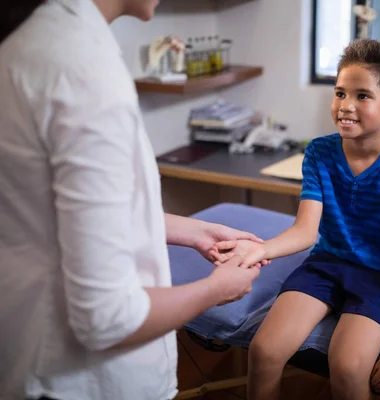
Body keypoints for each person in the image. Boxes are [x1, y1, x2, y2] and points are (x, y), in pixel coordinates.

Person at [0, 1, 265, 399]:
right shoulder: (82, 71)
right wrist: (217, 289)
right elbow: (108, 320)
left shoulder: (40, 43)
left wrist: (196, 230)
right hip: (79, 380)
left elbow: (63, 217)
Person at [210, 39, 380, 400]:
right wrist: (258, 249)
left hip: (379, 278)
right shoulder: (319, 152)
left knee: (347, 368)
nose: (345, 106)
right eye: (340, 93)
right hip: (325, 266)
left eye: (362, 96)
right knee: (264, 351)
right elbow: (305, 230)